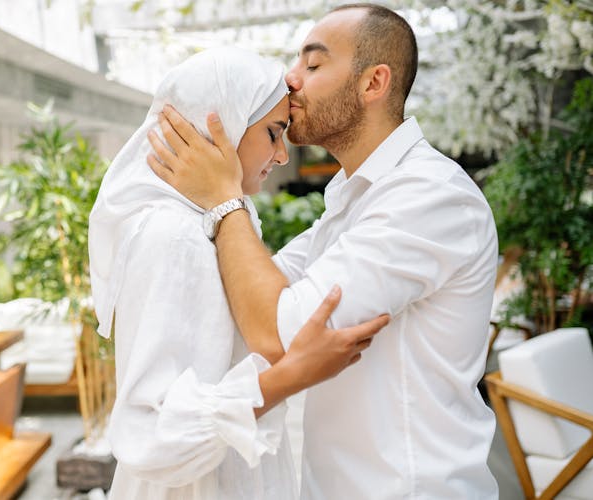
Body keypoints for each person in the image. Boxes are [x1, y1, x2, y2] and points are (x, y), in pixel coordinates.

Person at [147, 5, 500, 499]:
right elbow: (260, 285)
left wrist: (225, 199)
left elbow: (277, 330)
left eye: (312, 65)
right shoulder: (353, 195)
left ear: (373, 83)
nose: (290, 79)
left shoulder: (428, 196)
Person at [88, 46, 389, 500]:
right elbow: (149, 434)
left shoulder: (214, 223)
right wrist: (288, 376)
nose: (283, 156)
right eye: (273, 133)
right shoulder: (175, 235)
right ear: (219, 129)